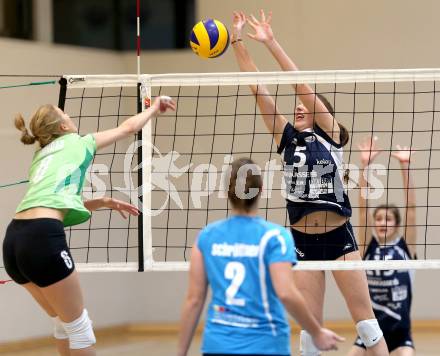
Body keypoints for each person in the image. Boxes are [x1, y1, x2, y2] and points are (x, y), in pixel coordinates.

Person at [230, 10, 389, 355]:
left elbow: (300, 84)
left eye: (306, 106)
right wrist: (236, 40)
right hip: (302, 239)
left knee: (365, 322)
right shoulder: (286, 138)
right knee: (308, 330)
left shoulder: (332, 137)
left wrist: (271, 43)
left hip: (339, 238)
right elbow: (258, 88)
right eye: (297, 107)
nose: (299, 107)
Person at [2, 96, 175, 356]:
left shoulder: (40, 156)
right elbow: (128, 128)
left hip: (13, 240)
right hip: (41, 237)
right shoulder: (77, 142)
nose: (70, 117)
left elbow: (52, 199)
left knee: (63, 323)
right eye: (65, 114)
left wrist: (102, 201)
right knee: (80, 330)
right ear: (62, 127)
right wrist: (153, 108)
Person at [177, 157, 343, 356]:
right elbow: (286, 293)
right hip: (266, 344)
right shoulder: (276, 237)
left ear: (225, 192)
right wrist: (316, 333)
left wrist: (180, 353)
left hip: (218, 344)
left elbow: (194, 300)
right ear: (261, 190)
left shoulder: (207, 237)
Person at [348, 137, 416, 356]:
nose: (382, 223)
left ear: (396, 224)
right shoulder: (369, 246)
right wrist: (365, 166)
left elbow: (412, 208)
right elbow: (362, 208)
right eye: (378, 219)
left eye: (387, 219)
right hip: (370, 331)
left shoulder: (406, 248)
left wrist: (405, 166)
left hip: (400, 332)